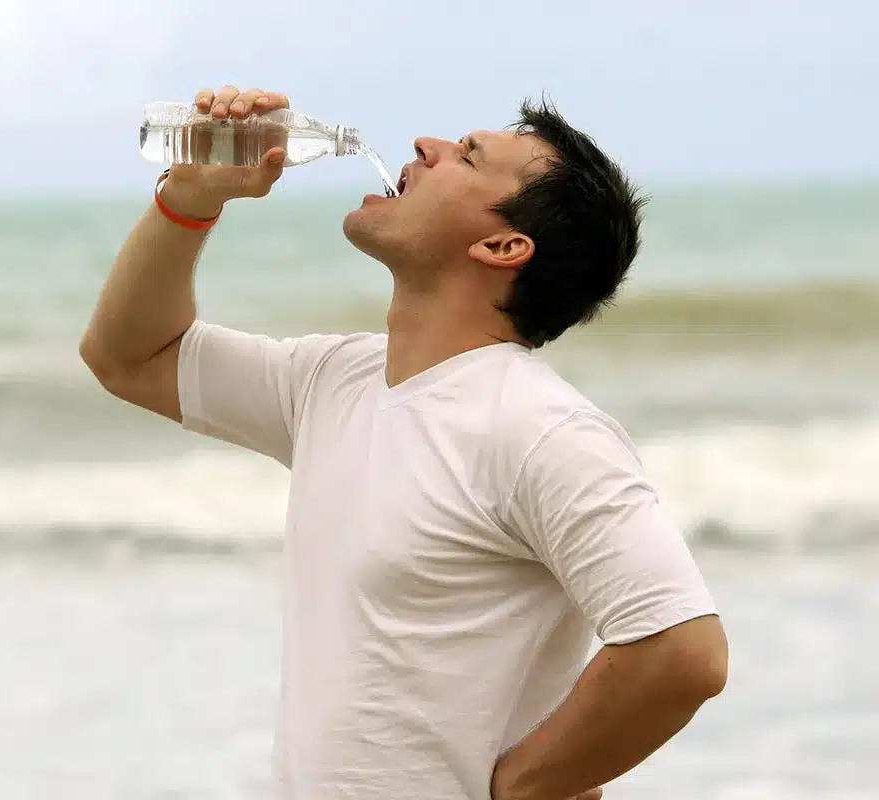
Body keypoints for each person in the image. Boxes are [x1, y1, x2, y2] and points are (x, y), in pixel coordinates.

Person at [80, 85, 729, 800]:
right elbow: (128, 356)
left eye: (467, 156)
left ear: (503, 245)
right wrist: (191, 199)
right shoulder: (332, 379)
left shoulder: (540, 429)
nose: (427, 145)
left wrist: (525, 786)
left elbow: (682, 651)